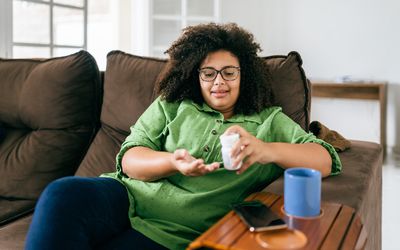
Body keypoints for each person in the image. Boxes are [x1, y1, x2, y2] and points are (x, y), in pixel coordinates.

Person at [25, 23, 341, 250]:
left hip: (174, 230)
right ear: (196, 77)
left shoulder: (269, 121)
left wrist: (265, 150)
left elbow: (325, 159)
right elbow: (131, 159)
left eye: (229, 72)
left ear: (245, 75)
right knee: (62, 193)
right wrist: (173, 162)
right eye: (208, 73)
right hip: (125, 197)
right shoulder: (173, 105)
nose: (219, 82)